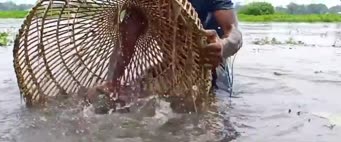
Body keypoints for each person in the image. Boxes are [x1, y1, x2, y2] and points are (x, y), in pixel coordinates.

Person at [85, 0, 243, 112]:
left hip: (209, 66)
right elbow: (124, 47)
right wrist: (112, 81)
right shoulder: (141, 6)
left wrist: (223, 46)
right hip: (171, 64)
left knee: (211, 114)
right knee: (122, 96)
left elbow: (234, 34)